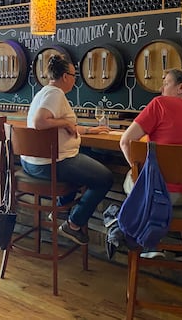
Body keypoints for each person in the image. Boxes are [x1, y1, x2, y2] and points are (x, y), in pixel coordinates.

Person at [119, 67, 182, 262]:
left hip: (161, 197)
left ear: (181, 87)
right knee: (170, 182)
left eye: (166, 82)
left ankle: (151, 242)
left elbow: (125, 141)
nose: (162, 87)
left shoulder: (159, 105)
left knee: (138, 180)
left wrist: (138, 173)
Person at [22, 54, 114, 245]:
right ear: (65, 76)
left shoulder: (44, 92)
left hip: (32, 163)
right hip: (50, 163)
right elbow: (40, 122)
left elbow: (62, 126)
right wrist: (65, 122)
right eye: (74, 75)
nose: (75, 79)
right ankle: (72, 224)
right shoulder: (55, 94)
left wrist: (89, 130)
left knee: (82, 163)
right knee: (105, 178)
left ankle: (60, 212)